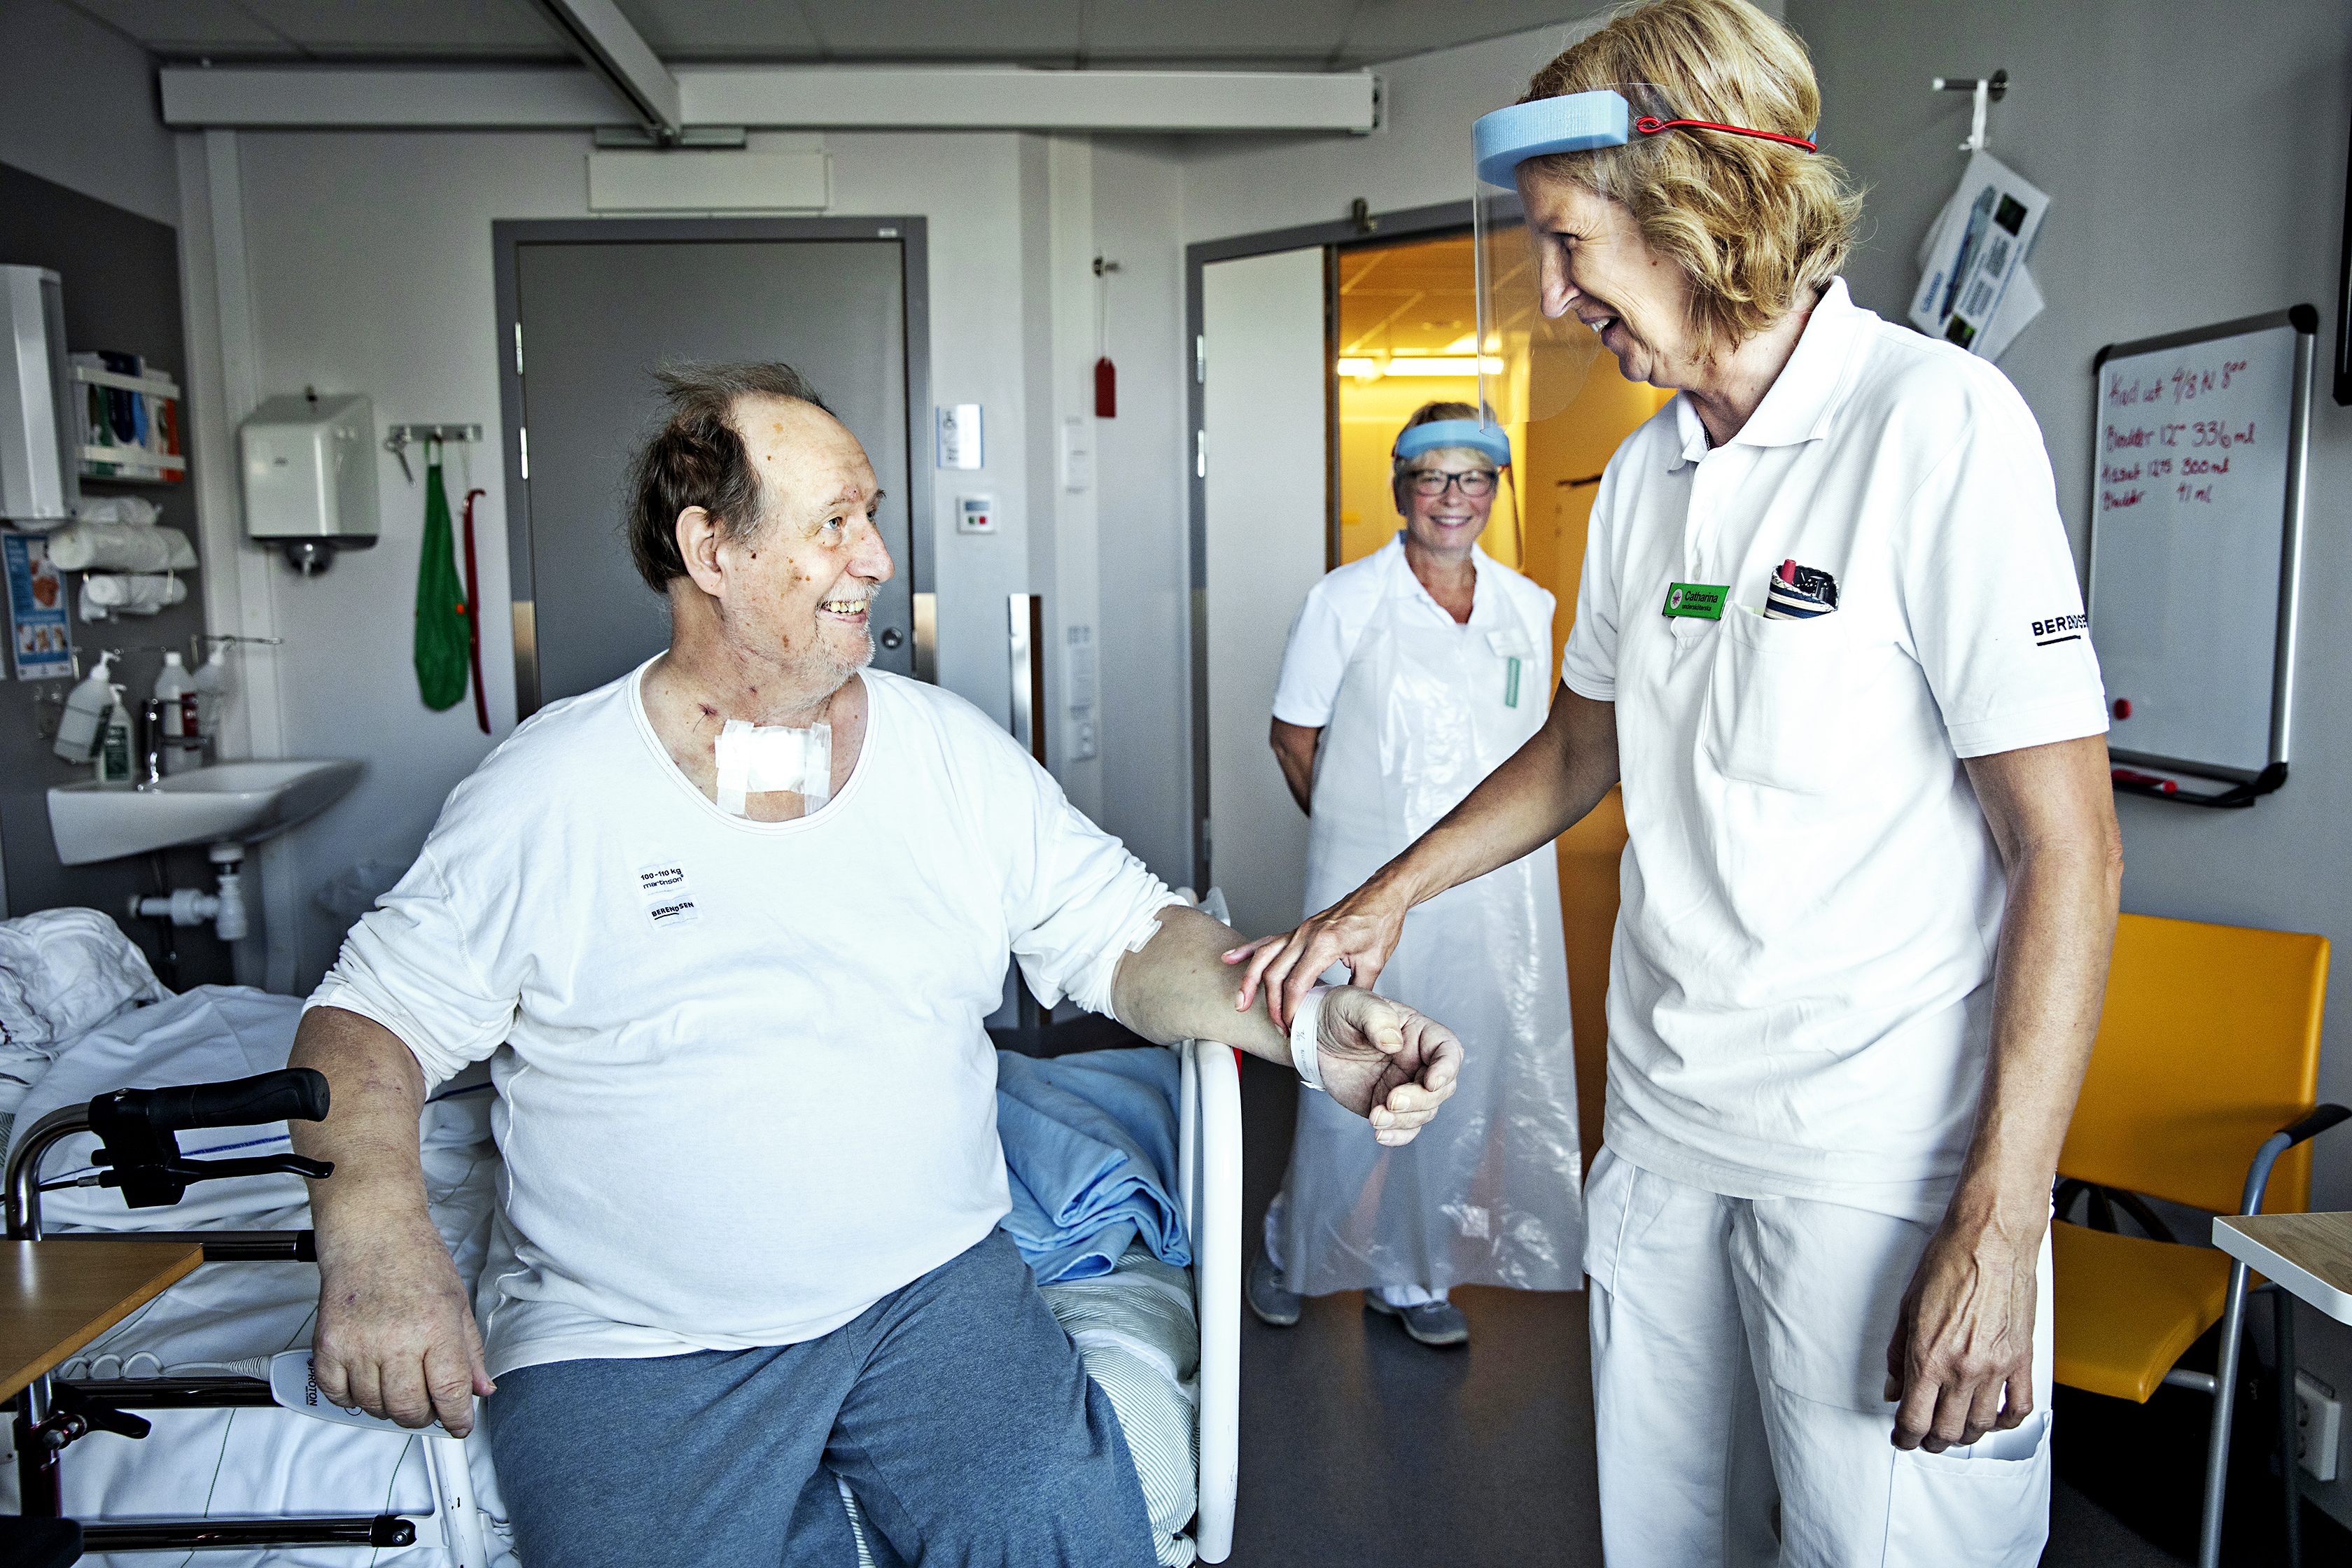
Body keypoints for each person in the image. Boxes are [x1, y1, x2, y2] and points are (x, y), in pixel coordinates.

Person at [288, 363, 1465, 1568]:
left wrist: (1316, 1032)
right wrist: (376, 1240)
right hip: (635, 1340)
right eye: (835, 525)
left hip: (931, 1293)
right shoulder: (551, 792)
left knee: (1067, 1540)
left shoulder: (948, 754)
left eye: (873, 517)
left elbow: (1128, 938)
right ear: (711, 551)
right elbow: (364, 1023)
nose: (879, 560)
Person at [1232, 2, 2122, 1561]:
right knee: (1666, 1542)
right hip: (1661, 1136)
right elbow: (1588, 745)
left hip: (1873, 1157)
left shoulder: (1934, 427)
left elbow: (2069, 847)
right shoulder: (1649, 477)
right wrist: (1382, 896)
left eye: (1575, 246)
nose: (1558, 296)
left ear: (1704, 203)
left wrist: (2002, 1221)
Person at [1249, 400, 1582, 1349]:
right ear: (1399, 487)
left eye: (1472, 477)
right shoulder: (1345, 600)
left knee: (1456, 1081)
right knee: (1353, 1078)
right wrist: (1364, 862)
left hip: (1491, 900)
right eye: (1430, 476)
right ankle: (1291, 1250)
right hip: (1367, 895)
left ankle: (1415, 1274)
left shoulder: (1528, 607)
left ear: (1495, 489)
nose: (1452, 497)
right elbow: (1292, 735)